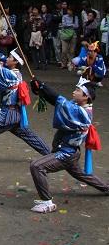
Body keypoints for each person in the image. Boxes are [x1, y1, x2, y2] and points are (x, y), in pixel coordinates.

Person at [29, 78, 109, 213]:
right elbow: (59, 103)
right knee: (81, 175)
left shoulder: (83, 113)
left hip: (67, 153)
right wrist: (40, 89)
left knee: (37, 166)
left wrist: (43, 86)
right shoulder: (78, 106)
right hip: (71, 152)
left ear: (86, 97)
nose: (74, 92)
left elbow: (61, 102)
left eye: (78, 90)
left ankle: (47, 202)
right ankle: (107, 188)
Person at [0, 48, 50, 173]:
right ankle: (50, 154)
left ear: (15, 62)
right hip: (15, 113)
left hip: (8, 114)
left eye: (10, 57)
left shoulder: (10, 74)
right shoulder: (16, 73)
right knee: (28, 135)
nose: (7, 58)